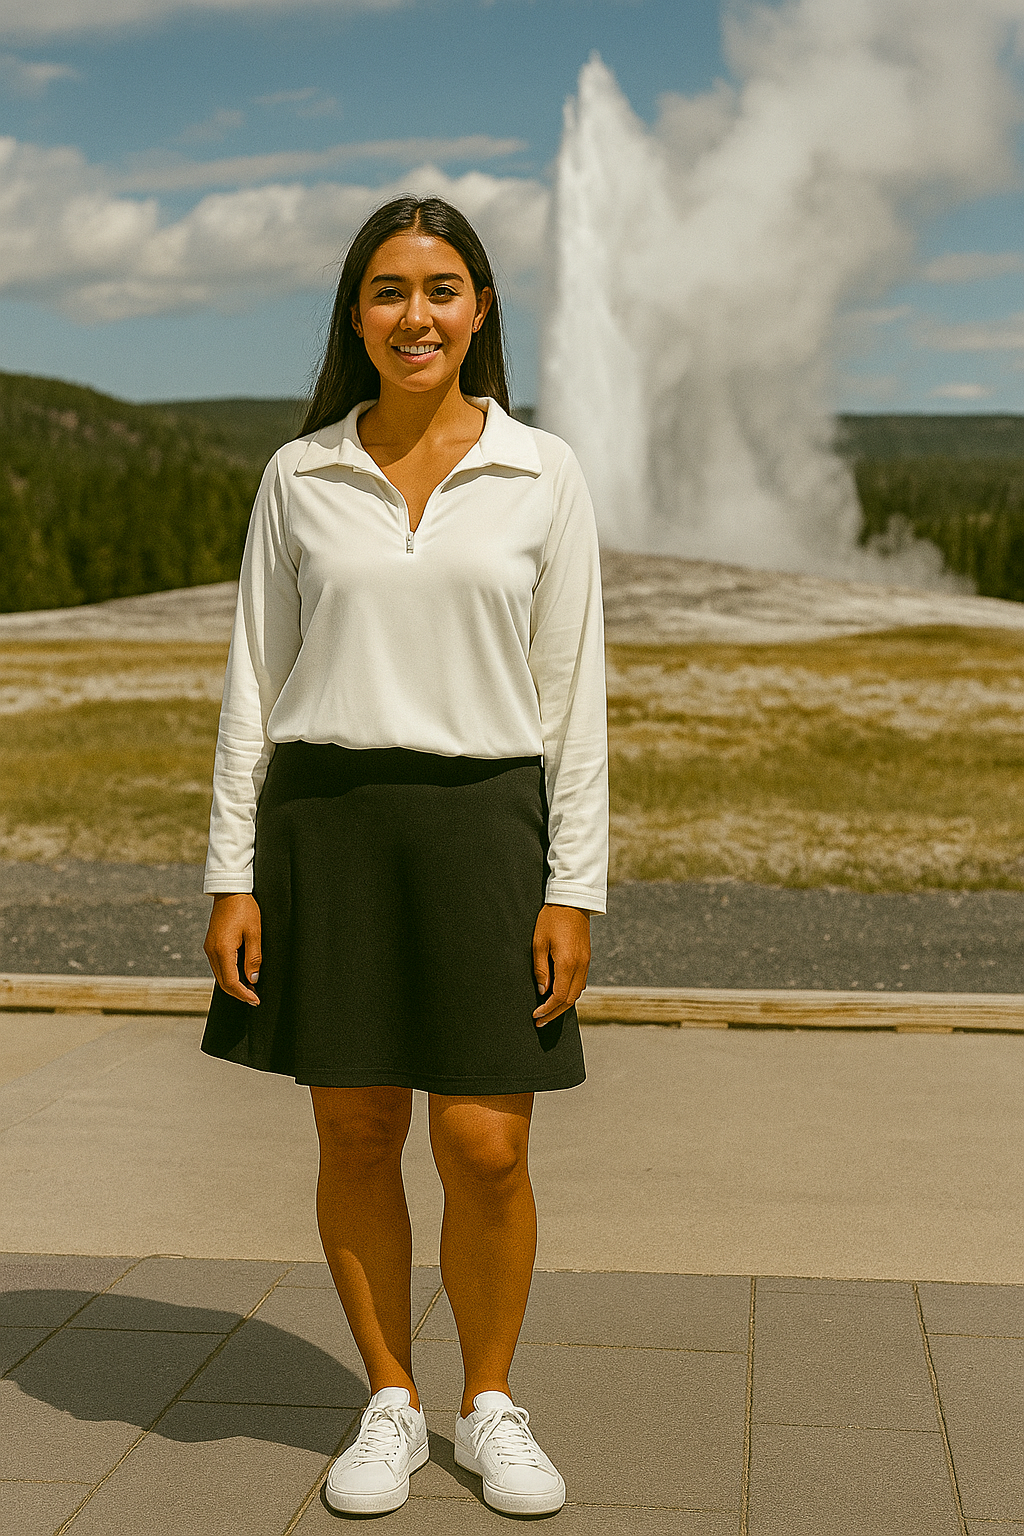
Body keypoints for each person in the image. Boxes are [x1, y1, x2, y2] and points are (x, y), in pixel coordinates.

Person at [200, 195, 608, 1519]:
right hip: (328, 826)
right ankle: (389, 1397)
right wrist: (230, 874)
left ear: (481, 309)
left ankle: (490, 1405)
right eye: (388, 290)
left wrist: (571, 885)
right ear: (356, 313)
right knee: (358, 1125)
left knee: (487, 1143)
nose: (414, 314)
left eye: (441, 288)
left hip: (489, 825)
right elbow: (254, 683)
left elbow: (571, 695)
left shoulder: (542, 473)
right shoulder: (298, 476)